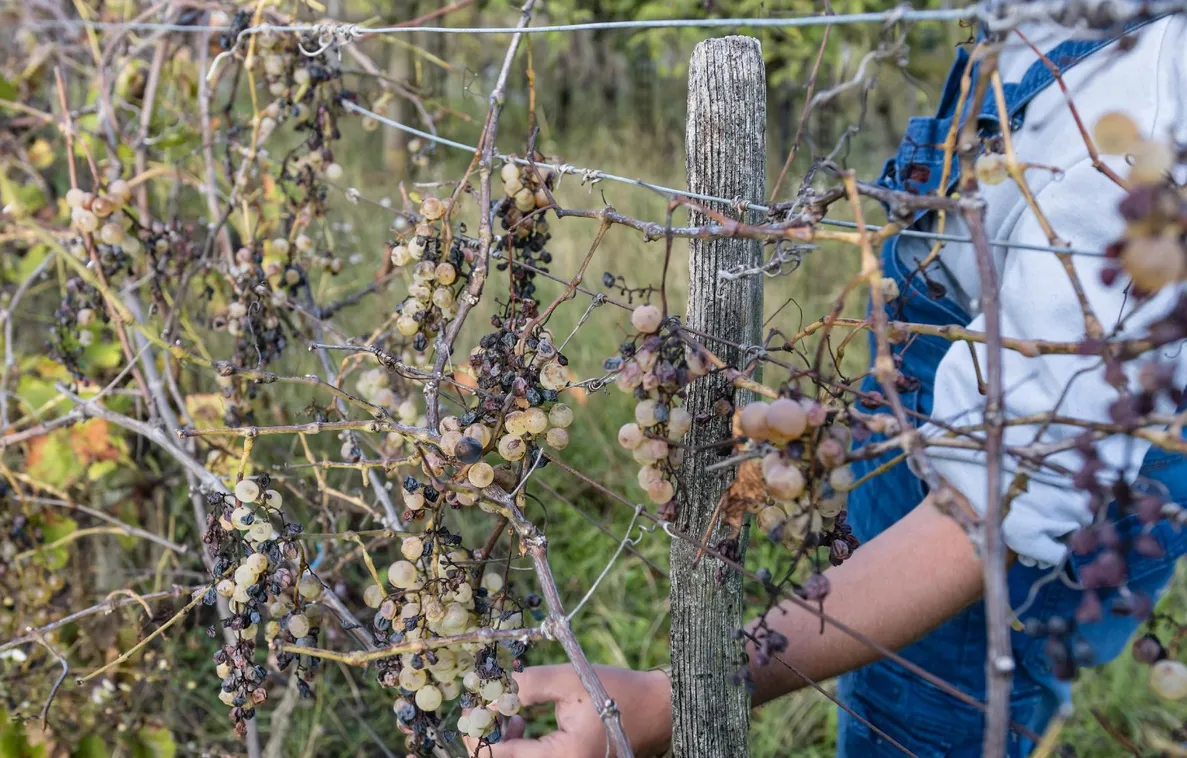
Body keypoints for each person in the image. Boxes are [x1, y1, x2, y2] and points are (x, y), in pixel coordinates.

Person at [474, 10, 1187, 758]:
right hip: (932, 409)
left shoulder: (1148, 112)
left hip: (994, 510)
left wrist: (680, 698)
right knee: (901, 685)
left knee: (920, 716)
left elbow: (993, 507)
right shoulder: (1053, 23)